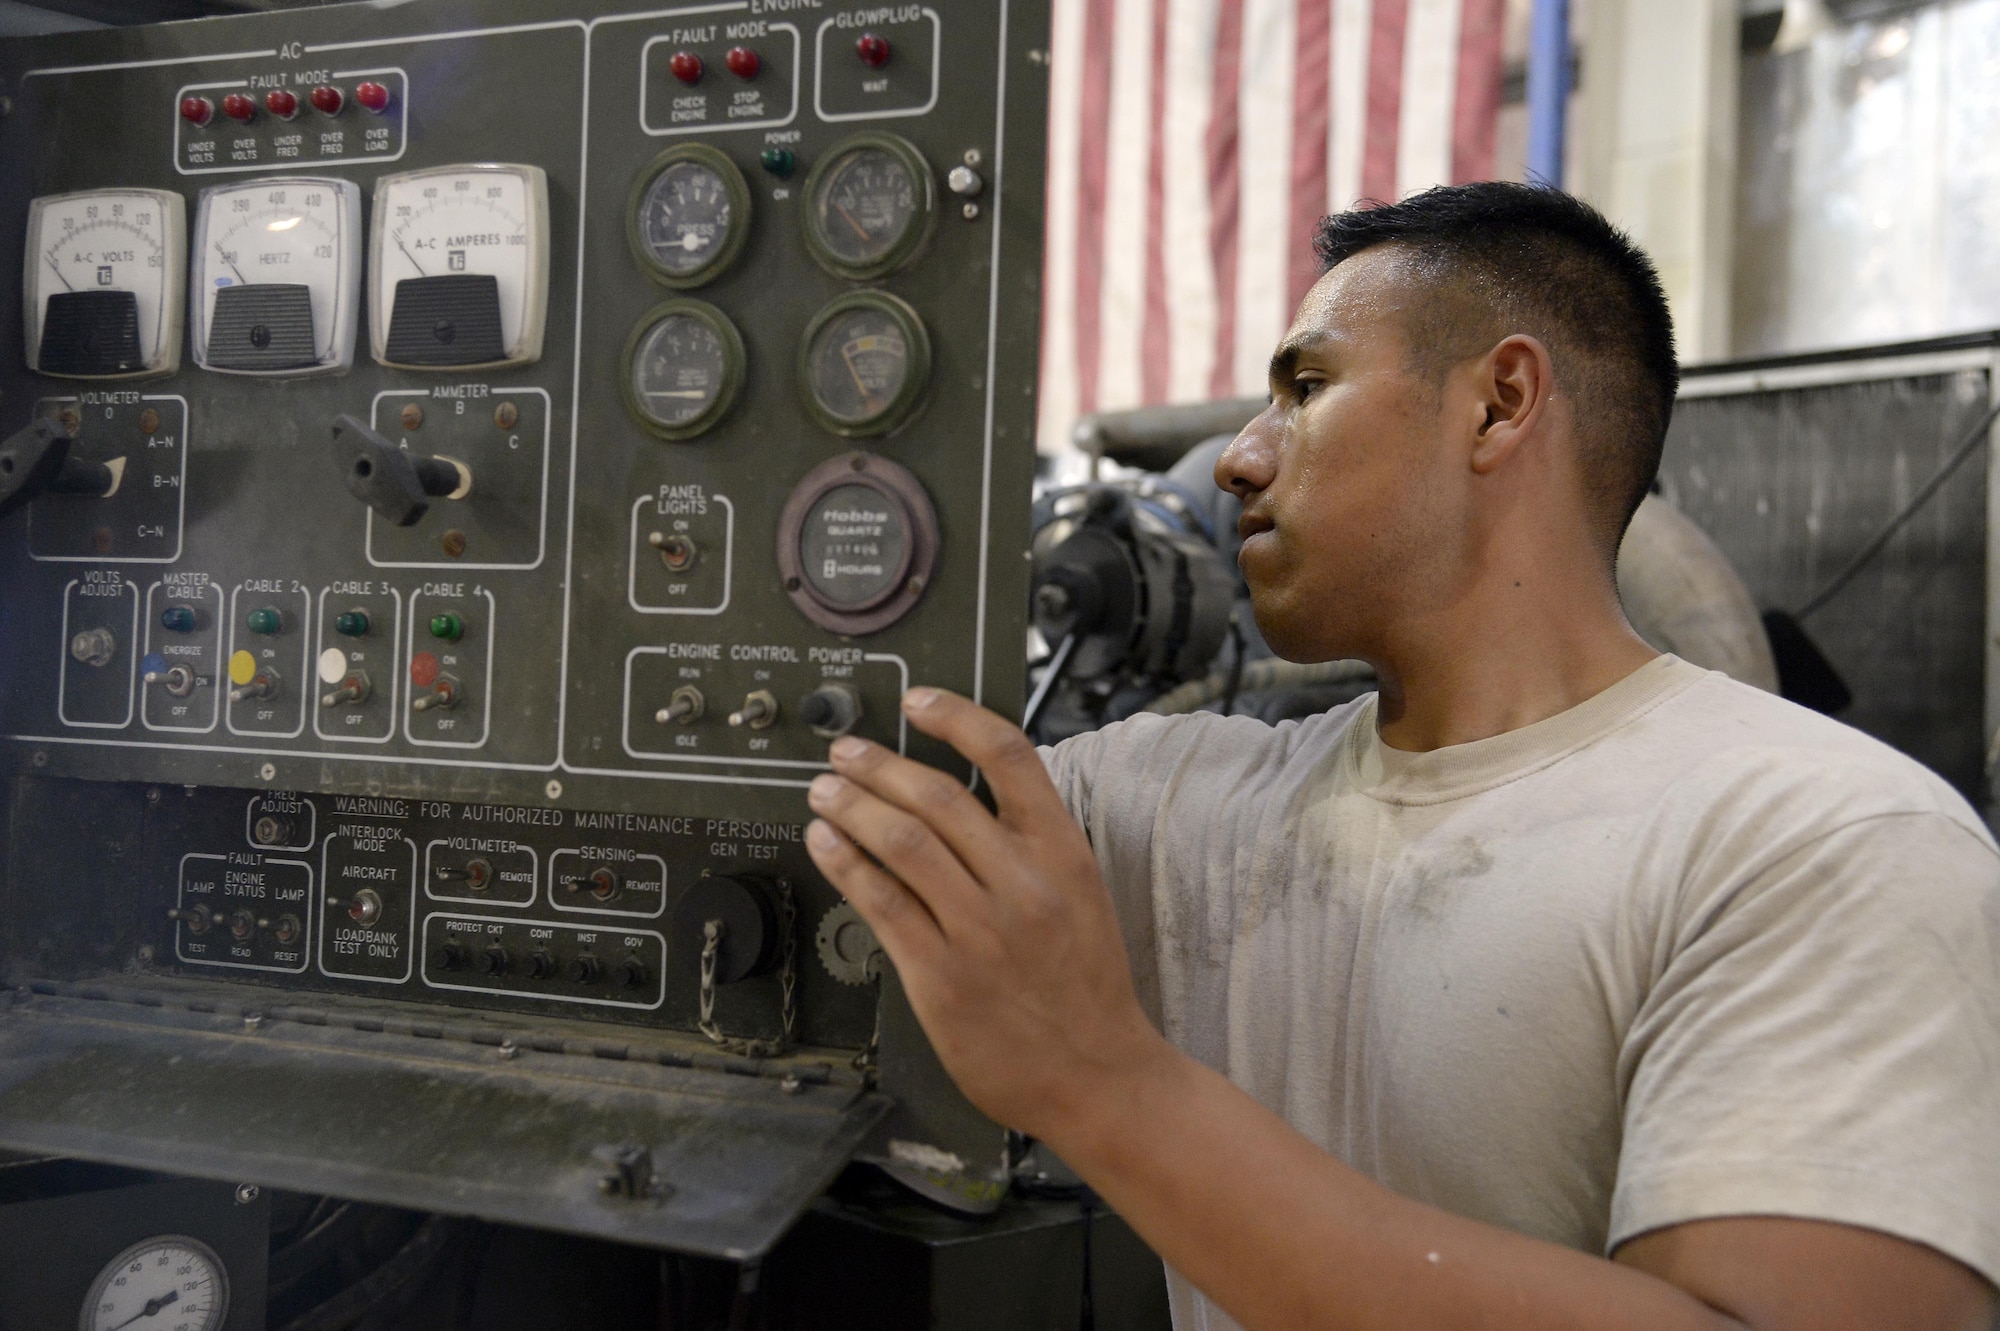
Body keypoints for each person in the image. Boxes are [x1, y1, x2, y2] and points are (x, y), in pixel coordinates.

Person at [800, 182, 2000, 1331]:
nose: (1234, 459)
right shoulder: (1186, 808)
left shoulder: (1818, 837)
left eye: (1305, 385)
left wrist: (1102, 1084)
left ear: (1497, 402)